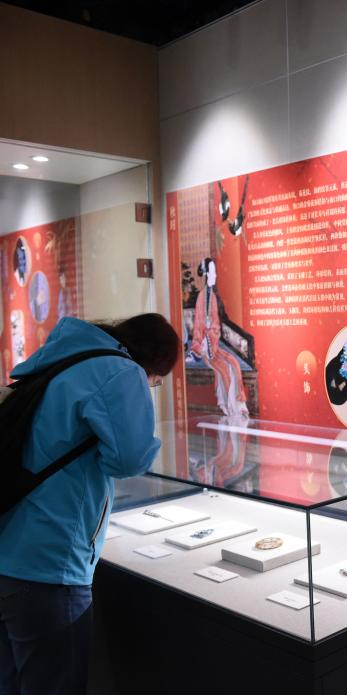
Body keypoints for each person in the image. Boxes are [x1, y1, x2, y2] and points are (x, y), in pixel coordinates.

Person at [0, 313, 179, 694]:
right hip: (51, 563)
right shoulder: (121, 371)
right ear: (155, 364)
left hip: (10, 549)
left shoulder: (61, 358)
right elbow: (130, 459)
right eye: (157, 381)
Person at [190, 258, 248, 419]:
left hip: (213, 343)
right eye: (212, 272)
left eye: (215, 272)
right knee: (224, 369)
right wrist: (202, 343)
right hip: (204, 347)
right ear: (206, 274)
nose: (215, 276)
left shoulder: (213, 297)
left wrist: (213, 334)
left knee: (234, 362)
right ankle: (231, 408)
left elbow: (216, 323)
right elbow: (198, 326)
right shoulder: (202, 297)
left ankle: (240, 404)